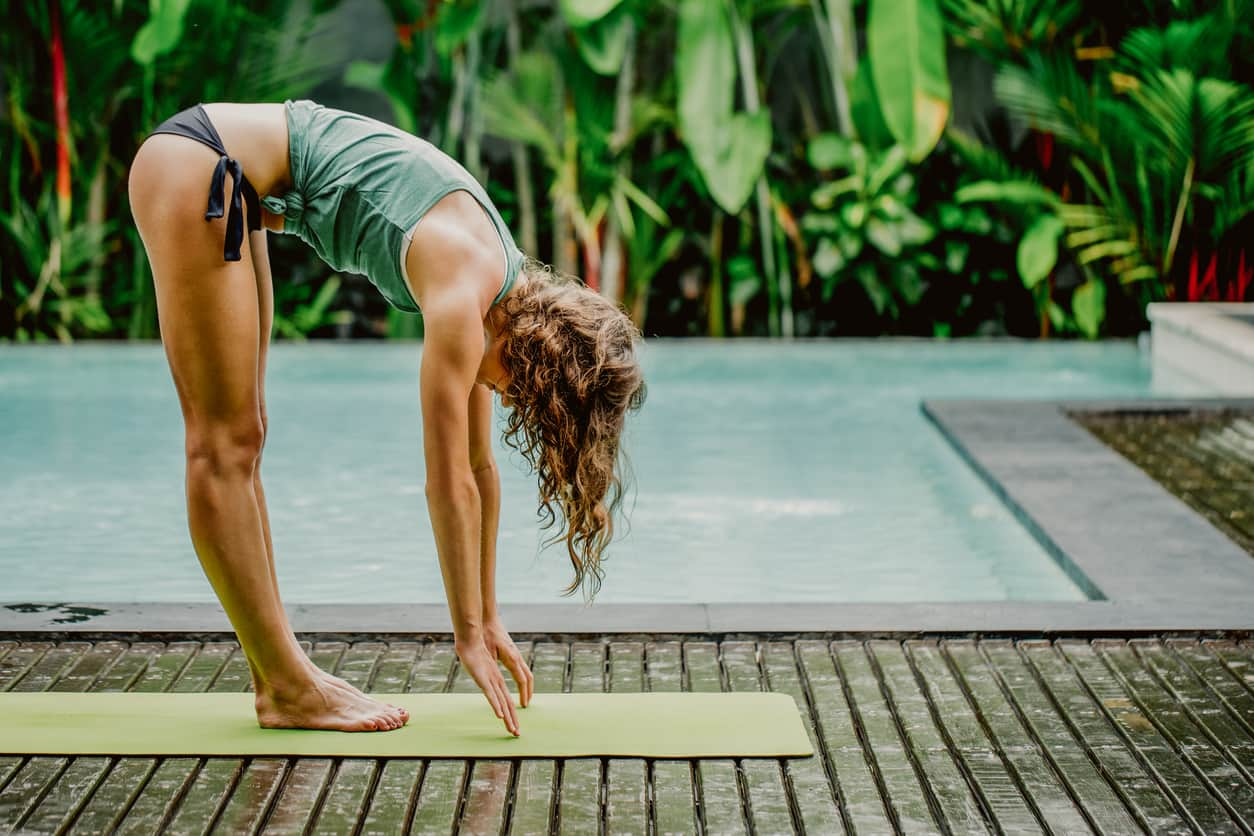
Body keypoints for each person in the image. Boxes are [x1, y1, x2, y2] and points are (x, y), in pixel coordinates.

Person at [127, 99, 646, 736]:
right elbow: (447, 481)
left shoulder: (502, 288)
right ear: (542, 367)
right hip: (199, 167)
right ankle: (287, 687)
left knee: (245, 435)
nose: (514, 403)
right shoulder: (463, 296)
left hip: (230, 178)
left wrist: (487, 618)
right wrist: (465, 639)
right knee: (222, 444)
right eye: (529, 398)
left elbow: (481, 470)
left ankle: (281, 677)